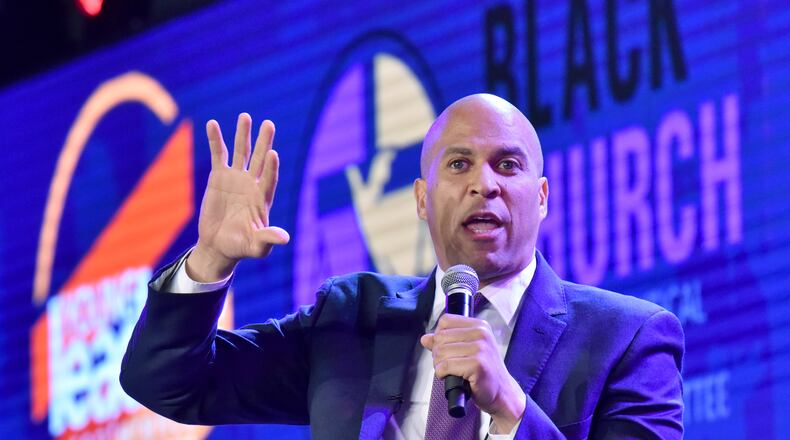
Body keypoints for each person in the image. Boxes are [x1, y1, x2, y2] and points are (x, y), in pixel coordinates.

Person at [120, 94, 684, 439]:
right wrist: (212, 258)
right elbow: (166, 382)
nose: (484, 183)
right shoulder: (349, 320)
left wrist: (511, 406)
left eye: (507, 165)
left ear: (540, 197)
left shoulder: (627, 338)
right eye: (459, 163)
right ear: (420, 198)